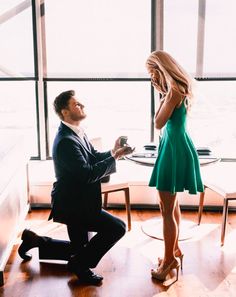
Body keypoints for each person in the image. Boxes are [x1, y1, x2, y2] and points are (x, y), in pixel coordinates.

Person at [18, 90, 134, 285]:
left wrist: (114, 151)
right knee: (117, 228)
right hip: (73, 206)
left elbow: (93, 156)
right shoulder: (65, 141)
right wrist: (115, 157)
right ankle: (79, 265)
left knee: (79, 248)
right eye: (76, 104)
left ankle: (35, 241)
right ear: (64, 112)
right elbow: (87, 174)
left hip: (77, 200)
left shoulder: (75, 133)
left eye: (81, 103)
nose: (82, 106)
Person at [146, 51, 204, 282]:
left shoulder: (173, 93)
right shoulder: (178, 90)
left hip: (173, 150)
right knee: (172, 205)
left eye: (152, 73)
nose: (151, 78)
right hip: (176, 145)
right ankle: (174, 251)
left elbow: (158, 122)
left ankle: (168, 261)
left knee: (165, 209)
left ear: (161, 69)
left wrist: (160, 96)